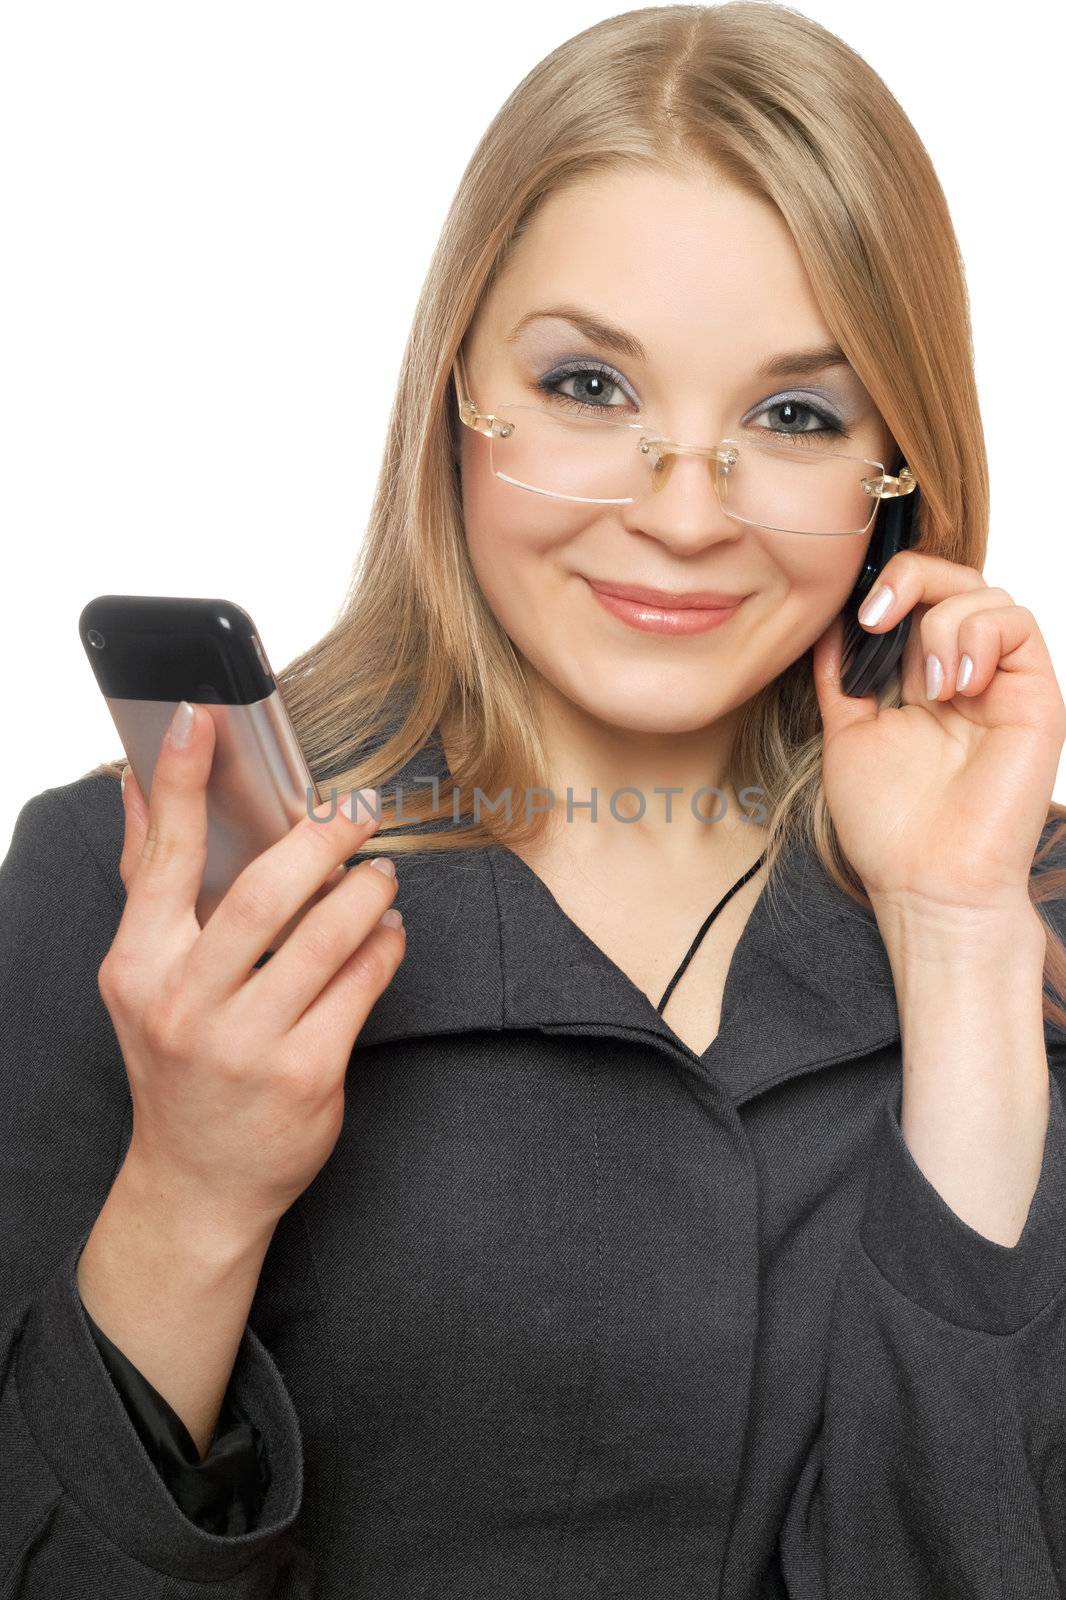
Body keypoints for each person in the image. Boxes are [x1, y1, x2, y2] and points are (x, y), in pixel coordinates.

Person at [4, 3, 1066, 1595]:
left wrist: (960, 941)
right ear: (456, 390)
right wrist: (194, 1192)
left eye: (792, 417)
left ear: (891, 468)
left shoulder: (1012, 911)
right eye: (587, 386)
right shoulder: (143, 886)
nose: (685, 516)